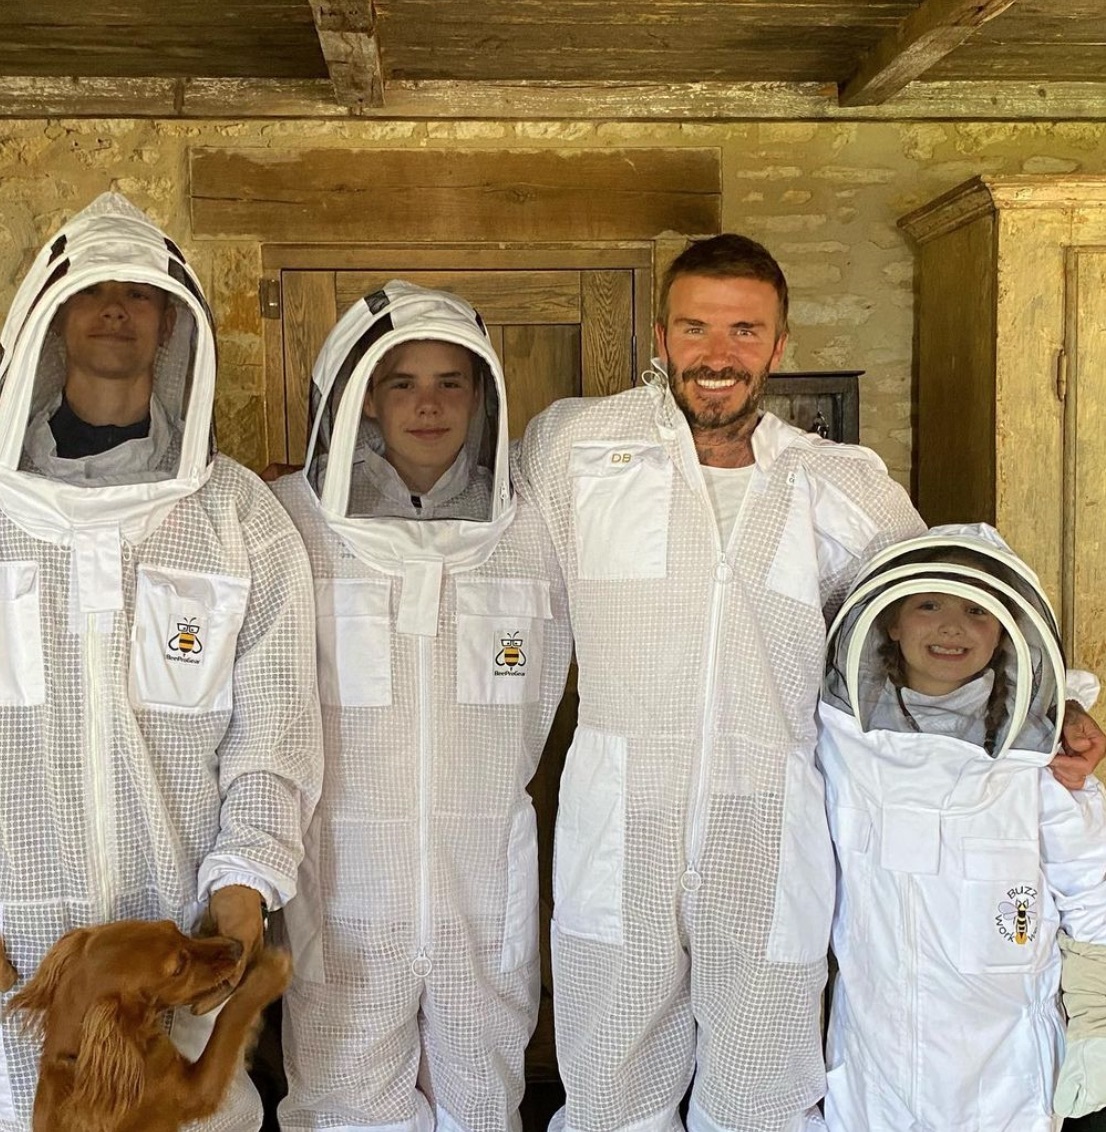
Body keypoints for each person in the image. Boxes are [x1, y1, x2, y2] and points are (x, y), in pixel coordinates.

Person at [518, 233, 1106, 1132]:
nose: (719, 355)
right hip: (618, 812)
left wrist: (1049, 702)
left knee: (763, 1084)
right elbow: (486, 557)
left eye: (745, 331)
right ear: (661, 333)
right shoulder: (577, 448)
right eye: (696, 328)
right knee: (608, 1077)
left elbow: (936, 608)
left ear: (780, 344)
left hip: (774, 817)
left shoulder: (840, 484)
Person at [0, 192, 322, 1131]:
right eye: (93, 291)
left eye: (138, 295)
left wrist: (244, 886)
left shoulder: (234, 519)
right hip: (15, 954)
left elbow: (276, 731)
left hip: (177, 944)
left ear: (173, 324)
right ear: (51, 319)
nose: (115, 308)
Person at [272, 281, 573, 1131]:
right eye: (402, 382)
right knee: (340, 1103)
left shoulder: (535, 531)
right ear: (364, 395)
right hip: (342, 880)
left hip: (484, 876)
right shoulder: (291, 521)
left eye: (452, 382)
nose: (429, 404)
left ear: (484, 395)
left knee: (481, 1100)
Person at [819, 523, 1106, 1130]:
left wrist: (1097, 1019)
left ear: (1005, 630)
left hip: (1005, 1067)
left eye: (977, 609)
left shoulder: (1040, 756)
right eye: (929, 604)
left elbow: (1093, 885)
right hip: (875, 1056)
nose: (952, 627)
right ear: (890, 620)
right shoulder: (840, 739)